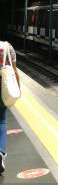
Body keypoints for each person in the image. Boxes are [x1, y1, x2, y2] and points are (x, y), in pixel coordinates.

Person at [0, 40, 19, 175]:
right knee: (1, 120)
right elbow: (14, 70)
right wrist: (18, 89)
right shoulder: (7, 47)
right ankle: (0, 151)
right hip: (2, 89)